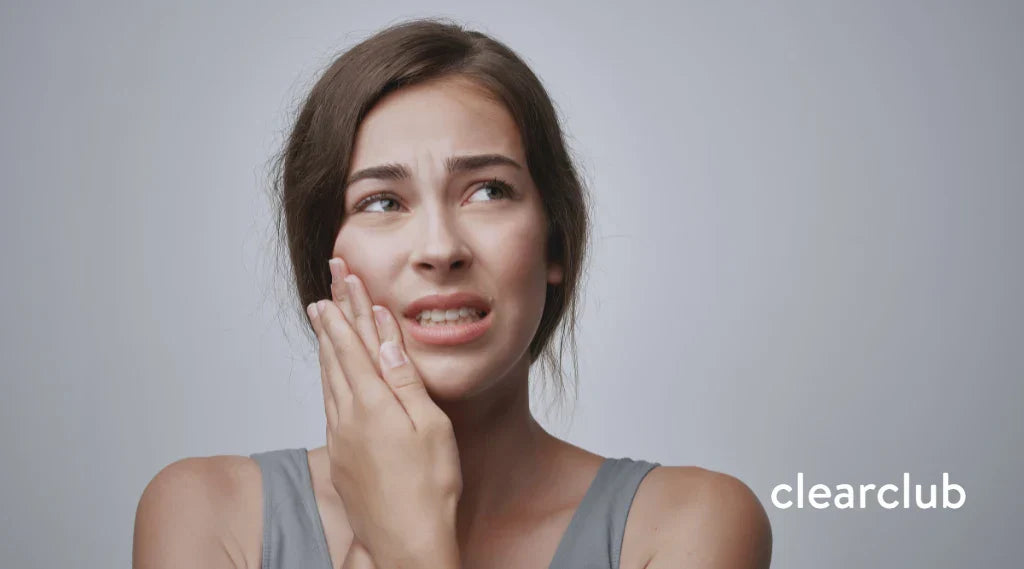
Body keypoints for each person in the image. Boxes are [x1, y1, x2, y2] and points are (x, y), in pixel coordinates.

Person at [132, 17, 772, 569]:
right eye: (382, 201)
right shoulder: (206, 513)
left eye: (489, 190)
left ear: (553, 243)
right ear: (323, 259)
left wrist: (409, 546)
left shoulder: (689, 524)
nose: (441, 249)